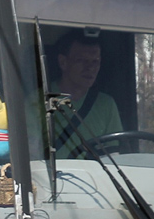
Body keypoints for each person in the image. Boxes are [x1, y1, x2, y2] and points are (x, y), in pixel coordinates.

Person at [50, 28, 121, 158]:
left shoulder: (106, 104)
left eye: (95, 62)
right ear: (63, 62)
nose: (90, 68)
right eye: (82, 61)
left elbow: (113, 154)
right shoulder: (38, 103)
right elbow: (33, 156)